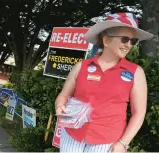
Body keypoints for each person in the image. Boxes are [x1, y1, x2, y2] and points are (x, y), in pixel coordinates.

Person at [55, 13, 154, 153]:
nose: (128, 45)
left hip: (107, 141)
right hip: (72, 134)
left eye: (133, 41)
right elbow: (64, 95)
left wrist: (123, 143)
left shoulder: (135, 72)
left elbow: (139, 113)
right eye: (124, 39)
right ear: (106, 40)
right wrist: (60, 106)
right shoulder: (81, 66)